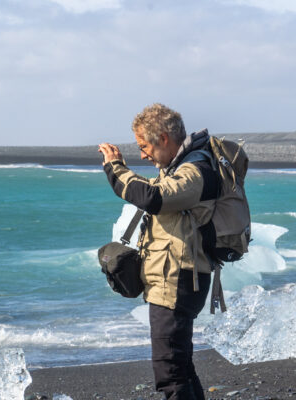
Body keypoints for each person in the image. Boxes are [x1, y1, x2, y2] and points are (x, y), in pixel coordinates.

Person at [98, 103, 219, 400]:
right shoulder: (180, 169)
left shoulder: (195, 169)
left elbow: (152, 197)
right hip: (175, 280)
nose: (142, 154)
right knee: (180, 366)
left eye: (144, 146)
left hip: (177, 282)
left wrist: (115, 169)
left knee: (169, 372)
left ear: (163, 138)